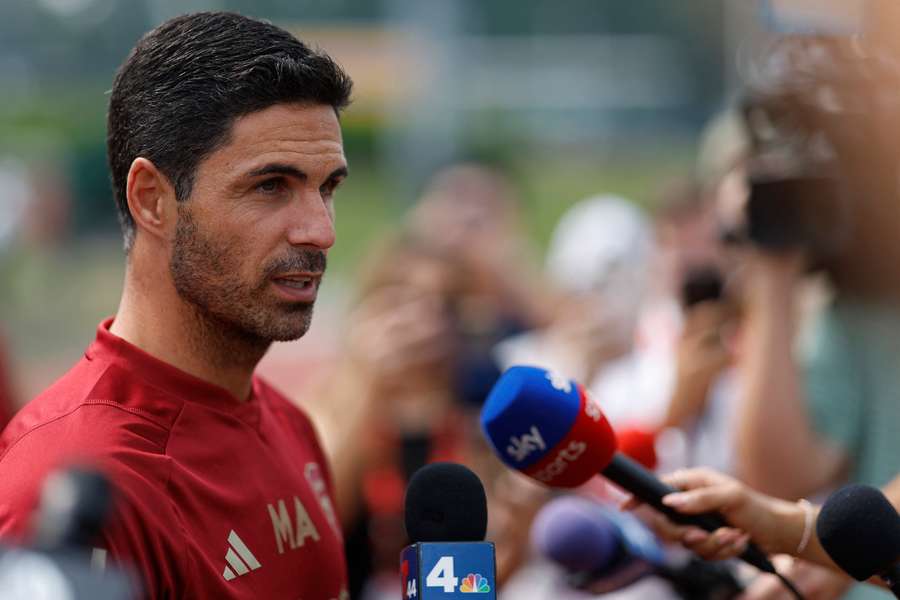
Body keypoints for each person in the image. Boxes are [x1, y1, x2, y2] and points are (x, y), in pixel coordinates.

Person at [0, 12, 353, 600]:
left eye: (327, 188)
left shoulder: (288, 423)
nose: (319, 229)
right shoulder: (66, 485)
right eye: (271, 186)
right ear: (151, 199)